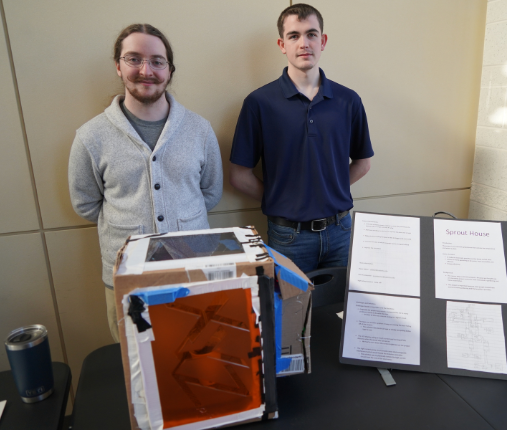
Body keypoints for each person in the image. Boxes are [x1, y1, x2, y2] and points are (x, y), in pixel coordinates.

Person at [68, 24, 223, 342]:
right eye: (134, 59)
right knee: (140, 374)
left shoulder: (199, 130)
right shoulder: (91, 136)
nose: (145, 70)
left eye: (157, 61)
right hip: (127, 278)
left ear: (169, 69)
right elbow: (86, 203)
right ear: (118, 65)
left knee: (197, 361)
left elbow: (210, 190)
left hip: (191, 268)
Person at [229, 4, 373, 274]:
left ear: (323, 41)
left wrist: (328, 190)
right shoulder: (259, 103)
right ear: (282, 44)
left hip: (341, 230)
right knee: (292, 315)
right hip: (288, 237)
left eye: (311, 34)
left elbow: (363, 162)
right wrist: (282, 197)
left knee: (342, 312)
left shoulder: (348, 100)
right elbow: (239, 175)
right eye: (294, 36)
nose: (304, 43)